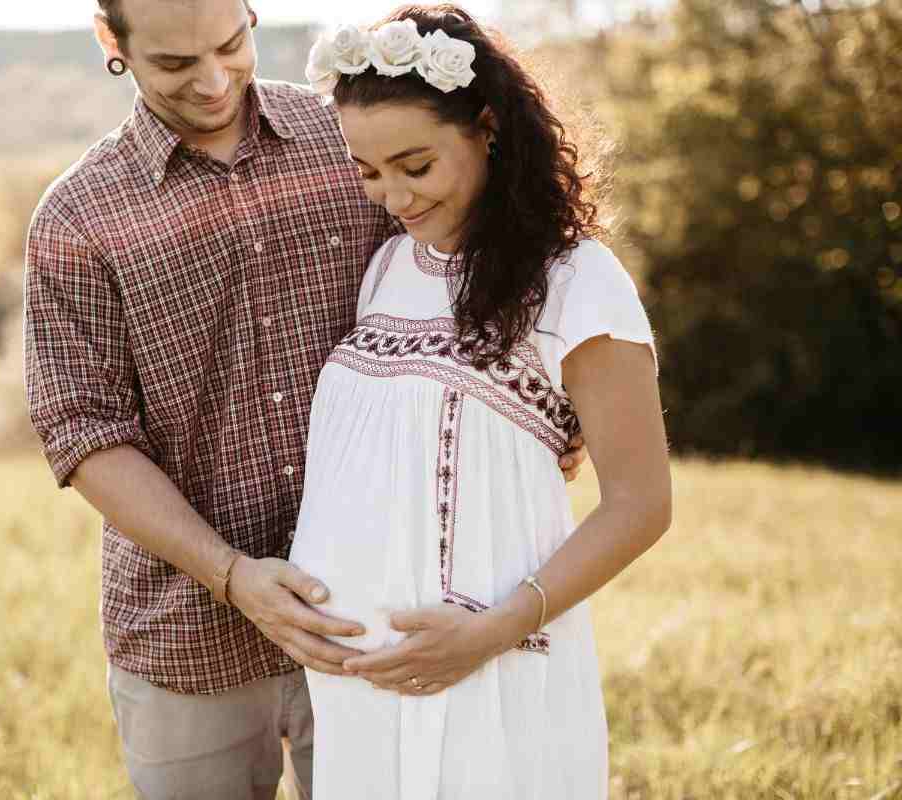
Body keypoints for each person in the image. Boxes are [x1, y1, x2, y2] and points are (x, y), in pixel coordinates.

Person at [22, 0, 587, 797]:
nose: (215, 81)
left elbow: (469, 287)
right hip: (188, 634)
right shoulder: (76, 217)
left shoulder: (351, 142)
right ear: (112, 42)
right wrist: (231, 574)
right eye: (177, 64)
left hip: (385, 609)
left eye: (230, 44)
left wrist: (548, 415)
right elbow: (83, 433)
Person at [287, 5, 672, 799]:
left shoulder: (576, 281)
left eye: (415, 166)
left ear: (487, 127)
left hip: (489, 665)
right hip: (362, 687)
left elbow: (641, 505)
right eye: (368, 171)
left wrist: (489, 633)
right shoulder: (387, 268)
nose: (392, 195)